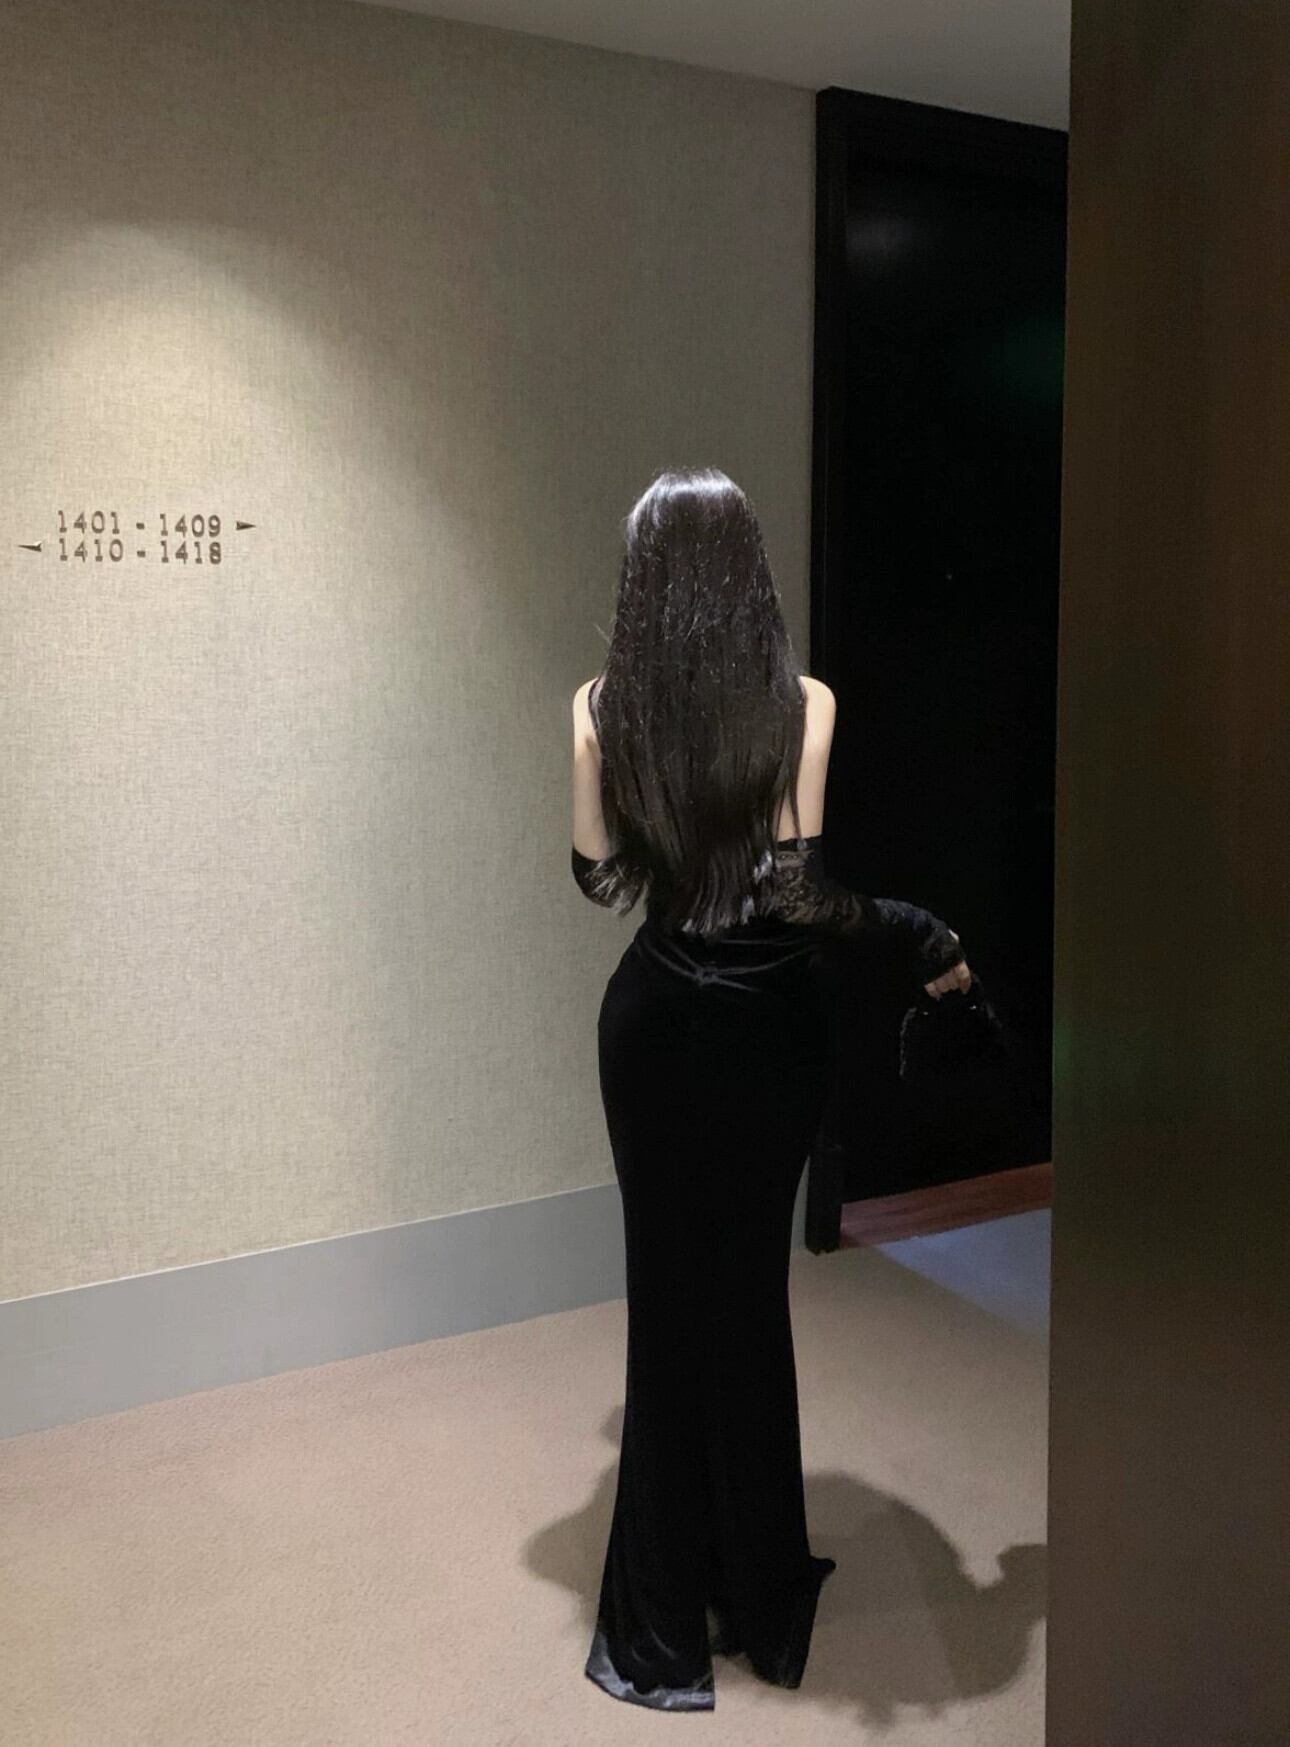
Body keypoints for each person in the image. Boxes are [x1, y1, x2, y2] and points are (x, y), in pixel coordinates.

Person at [569, 467, 971, 1711]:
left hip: (653, 1030)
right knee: (746, 1299)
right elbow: (796, 896)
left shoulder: (601, 707)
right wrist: (913, 928)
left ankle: (661, 1615)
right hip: (768, 1036)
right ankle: (754, 1586)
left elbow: (597, 879)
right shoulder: (804, 705)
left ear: (645, 582)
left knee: (665, 1306)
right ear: (746, 574)